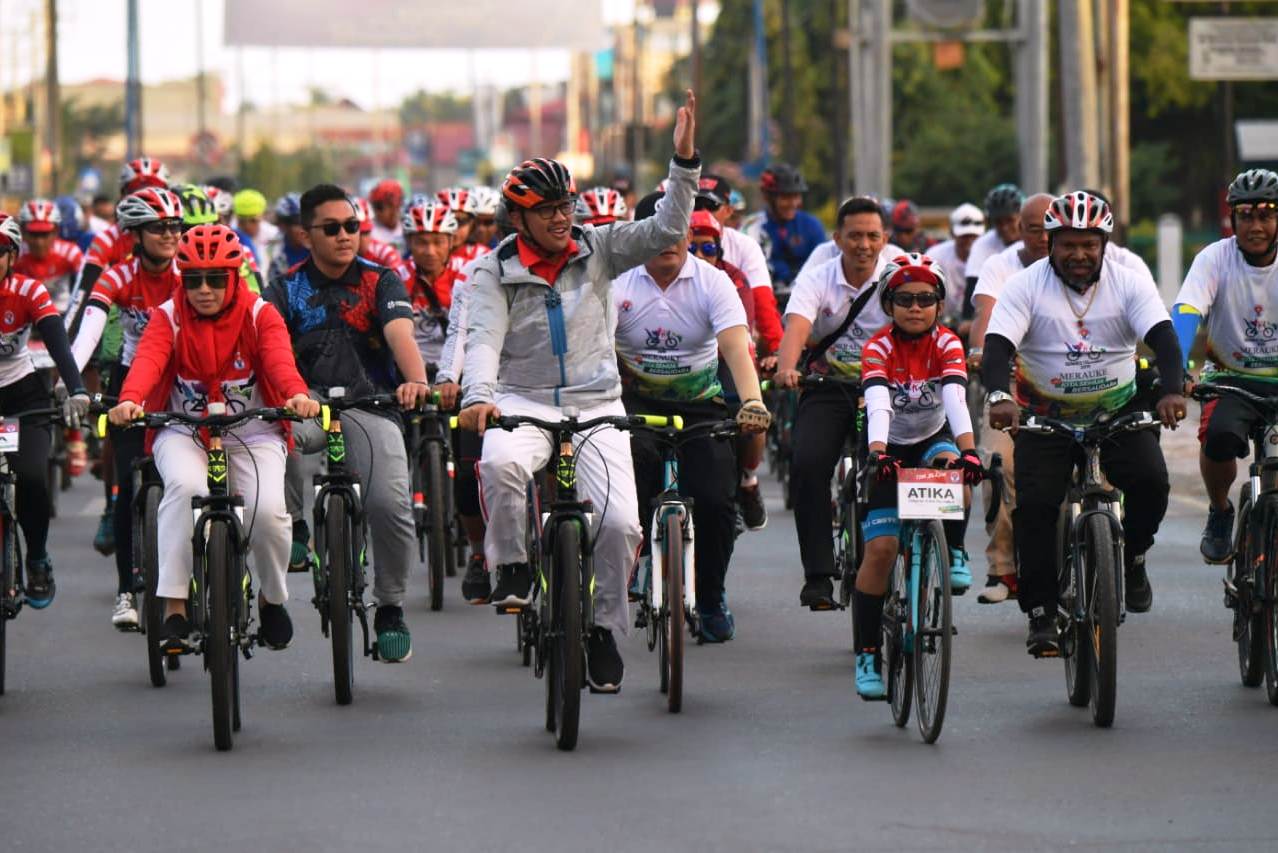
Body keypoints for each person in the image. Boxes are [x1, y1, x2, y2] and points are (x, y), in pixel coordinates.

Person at [458, 89, 700, 693]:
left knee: (620, 525)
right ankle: (512, 565)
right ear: (519, 219)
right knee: (501, 466)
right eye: (545, 210)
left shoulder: (600, 247)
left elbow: (668, 226)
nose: (560, 217)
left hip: (596, 403)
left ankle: (600, 630)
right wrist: (477, 397)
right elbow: (483, 338)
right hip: (521, 399)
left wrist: (683, 164)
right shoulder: (492, 271)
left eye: (565, 205)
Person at [983, 191, 1185, 656]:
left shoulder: (1129, 281)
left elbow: (1165, 341)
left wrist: (1172, 390)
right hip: (1044, 419)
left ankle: (1132, 556)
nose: (1079, 255)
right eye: (1068, 244)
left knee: (1152, 482)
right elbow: (997, 347)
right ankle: (1041, 613)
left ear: (1104, 244)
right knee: (1034, 509)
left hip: (1117, 412)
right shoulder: (1026, 285)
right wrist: (998, 396)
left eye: (1089, 244)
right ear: (1050, 243)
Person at [107, 225, 320, 650]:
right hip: (184, 430)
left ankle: (272, 598)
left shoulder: (260, 314)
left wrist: (296, 394)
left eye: (216, 279)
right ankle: (174, 605)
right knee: (184, 489)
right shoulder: (168, 315)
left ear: (235, 276)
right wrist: (130, 399)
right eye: (193, 280)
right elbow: (148, 360)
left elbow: (280, 361)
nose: (203, 290)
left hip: (254, 431)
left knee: (269, 512)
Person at [265, 183, 432, 663]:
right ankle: (296, 527)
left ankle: (391, 608)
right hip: (306, 402)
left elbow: (401, 335)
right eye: (331, 228)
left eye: (352, 226)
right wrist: (290, 397)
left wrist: (415, 380)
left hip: (371, 403)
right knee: (279, 443)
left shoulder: (383, 281)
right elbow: (272, 351)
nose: (345, 236)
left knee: (390, 503)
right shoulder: (283, 288)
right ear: (305, 234)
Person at [614, 194, 770, 642]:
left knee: (718, 501)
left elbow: (736, 349)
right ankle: (638, 560)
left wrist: (752, 402)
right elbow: (600, 354)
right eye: (657, 230)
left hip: (702, 405)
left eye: (677, 228)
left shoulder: (713, 282)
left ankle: (711, 597)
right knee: (629, 487)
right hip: (637, 405)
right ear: (637, 237)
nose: (669, 239)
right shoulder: (617, 284)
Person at [849, 253, 979, 698]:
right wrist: (879, 452)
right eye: (904, 298)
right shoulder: (878, 347)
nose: (915, 307)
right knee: (882, 550)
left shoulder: (947, 344)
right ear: (889, 304)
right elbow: (880, 403)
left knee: (956, 476)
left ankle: (955, 550)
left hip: (932, 436)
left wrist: (970, 453)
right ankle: (867, 652)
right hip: (887, 444)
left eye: (926, 298)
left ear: (939, 305)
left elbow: (957, 399)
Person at [70, 187, 185, 629]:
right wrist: (69, 379)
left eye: (175, 226)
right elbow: (91, 325)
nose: (170, 234)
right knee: (125, 485)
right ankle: (125, 592)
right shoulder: (118, 277)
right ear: (135, 234)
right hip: (129, 387)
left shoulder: (187, 274)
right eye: (159, 228)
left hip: (180, 383)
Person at [772, 196, 892, 609]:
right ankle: (819, 574)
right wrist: (788, 368)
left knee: (897, 468)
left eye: (872, 236)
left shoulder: (897, 275)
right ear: (838, 238)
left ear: (885, 239)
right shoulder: (817, 277)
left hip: (887, 392)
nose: (864, 245)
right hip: (827, 387)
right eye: (855, 236)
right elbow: (797, 328)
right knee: (807, 465)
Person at [1171, 169, 1278, 564]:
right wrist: (1177, 366)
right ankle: (1219, 512)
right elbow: (1186, 311)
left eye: (1266, 215)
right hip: (1230, 379)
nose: (1256, 225)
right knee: (1217, 439)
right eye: (1246, 215)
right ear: (1233, 219)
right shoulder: (1215, 258)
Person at [964, 192, 1052, 603]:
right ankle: (1003, 569)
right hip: (1014, 384)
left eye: (1053, 230)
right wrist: (982, 352)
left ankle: (1112, 550)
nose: (1045, 239)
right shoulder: (1000, 267)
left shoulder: (1091, 265)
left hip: (1077, 388)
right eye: (1034, 229)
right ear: (1019, 231)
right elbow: (985, 315)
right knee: (999, 465)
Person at [0, 213, 90, 608]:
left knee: (33, 477)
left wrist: (77, 390)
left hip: (24, 397)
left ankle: (36, 556)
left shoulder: (29, 291)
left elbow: (57, 343)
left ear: (12, 257)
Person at [687, 209, 773, 531]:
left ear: (719, 251)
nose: (700, 255)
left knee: (752, 415)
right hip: (680, 366)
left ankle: (748, 480)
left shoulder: (732, 278)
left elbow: (742, 332)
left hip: (725, 355)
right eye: (693, 247)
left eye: (708, 248)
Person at [742, 163, 827, 292]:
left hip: (807, 295)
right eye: (786, 197)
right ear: (767, 197)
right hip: (766, 295)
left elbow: (824, 267)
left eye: (796, 196)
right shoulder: (751, 227)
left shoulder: (812, 225)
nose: (793, 203)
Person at [399, 199, 458, 376]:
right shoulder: (396, 277)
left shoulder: (467, 274)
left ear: (451, 241)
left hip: (457, 371)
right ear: (409, 243)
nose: (430, 251)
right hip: (410, 373)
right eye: (421, 242)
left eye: (438, 242)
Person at [962, 183, 1025, 317]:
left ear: (1022, 217)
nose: (1004, 227)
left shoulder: (1035, 239)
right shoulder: (983, 243)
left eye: (1010, 220)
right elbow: (972, 285)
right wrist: (967, 319)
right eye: (998, 222)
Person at [15, 199, 83, 313]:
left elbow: (91, 284)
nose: (39, 242)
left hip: (63, 317)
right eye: (34, 234)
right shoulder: (14, 255)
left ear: (56, 231)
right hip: (22, 319)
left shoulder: (70, 252)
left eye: (45, 234)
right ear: (22, 231)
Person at [924, 202, 984, 324]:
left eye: (973, 236)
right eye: (964, 236)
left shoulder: (991, 258)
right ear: (952, 234)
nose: (969, 241)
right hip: (940, 324)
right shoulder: (934, 257)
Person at [351, 196, 403, 270]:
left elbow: (398, 271)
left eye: (366, 232)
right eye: (357, 233)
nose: (362, 240)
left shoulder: (384, 252)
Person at [232, 189, 277, 274]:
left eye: (253, 220)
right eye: (242, 221)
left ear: (263, 217)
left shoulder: (273, 235)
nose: (247, 226)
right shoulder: (230, 234)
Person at [267, 193, 309, 281]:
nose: (304, 228)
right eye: (297, 223)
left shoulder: (319, 247)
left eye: (307, 221)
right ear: (283, 225)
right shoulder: (273, 252)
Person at [368, 179, 405, 254]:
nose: (376, 212)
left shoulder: (408, 227)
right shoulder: (369, 232)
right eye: (374, 206)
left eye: (379, 206)